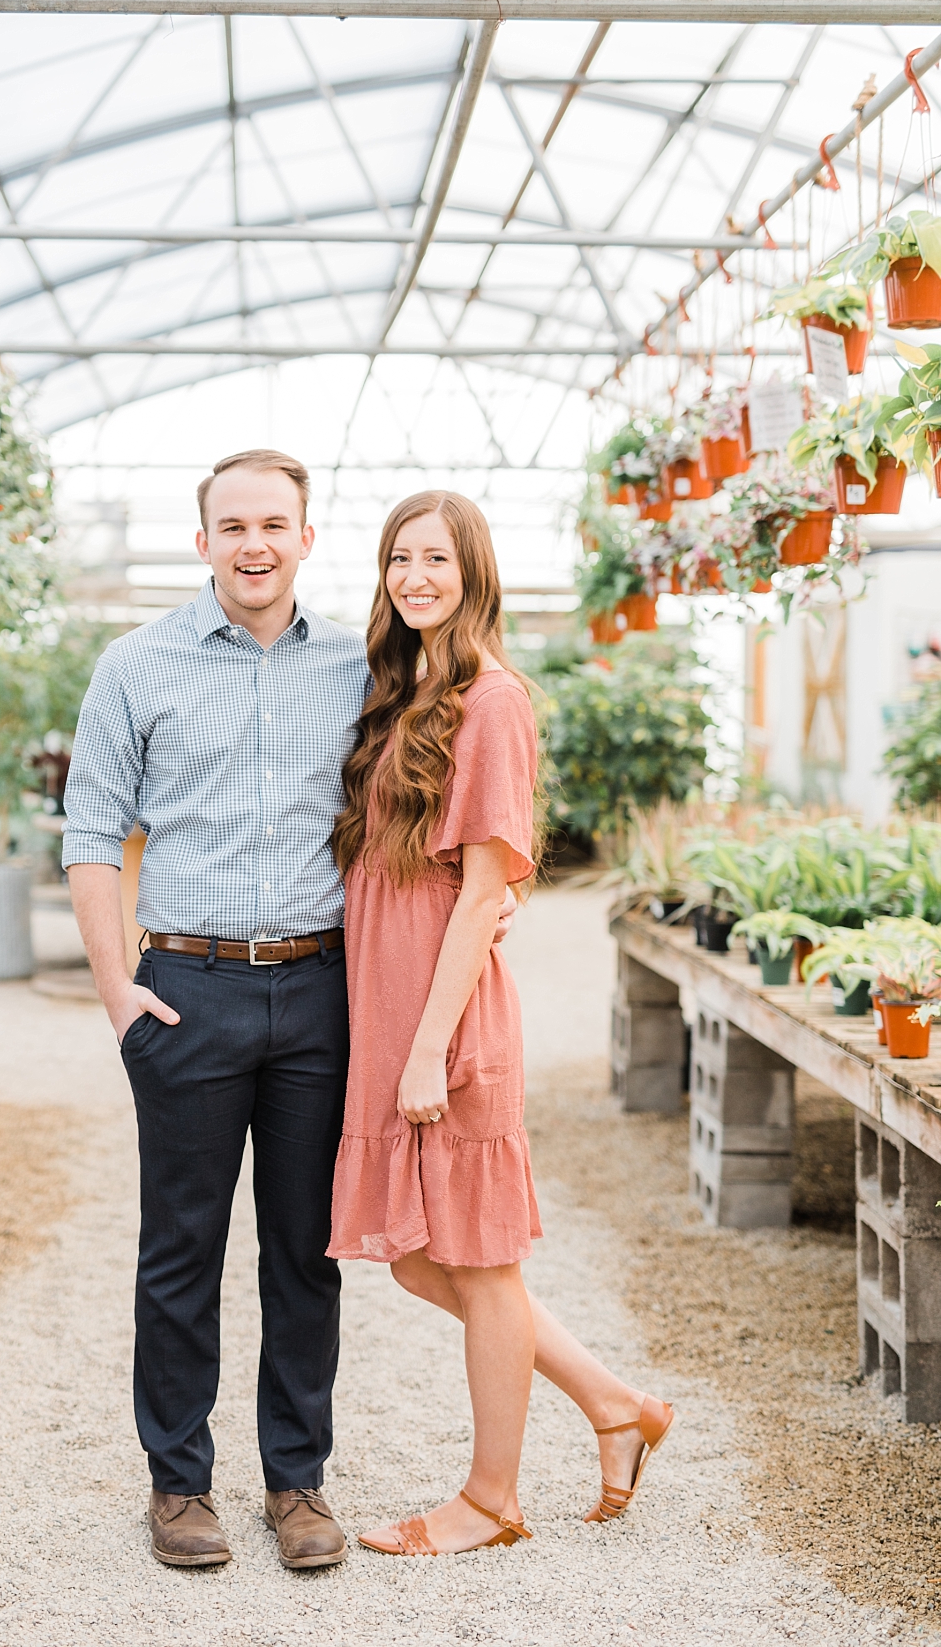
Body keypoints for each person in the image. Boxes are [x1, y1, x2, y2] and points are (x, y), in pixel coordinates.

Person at [62, 449, 515, 1573]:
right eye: (233, 527)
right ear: (203, 539)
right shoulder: (136, 664)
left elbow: (445, 799)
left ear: (308, 539)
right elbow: (88, 834)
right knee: (180, 1251)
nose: (254, 544)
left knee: (303, 1254)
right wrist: (120, 992)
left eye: (275, 524)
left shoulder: (366, 673)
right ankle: (179, 1486)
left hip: (324, 993)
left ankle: (296, 1483)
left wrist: (487, 902)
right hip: (189, 992)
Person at [328, 490, 674, 1557]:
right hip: (396, 1017)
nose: (414, 576)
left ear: (475, 573)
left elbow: (484, 892)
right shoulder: (406, 695)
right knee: (426, 1262)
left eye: (437, 558)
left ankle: (491, 1499)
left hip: (449, 1022)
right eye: (399, 557)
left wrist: (428, 1044)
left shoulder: (492, 701)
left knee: (475, 1261)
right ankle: (616, 1403)